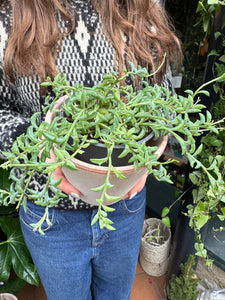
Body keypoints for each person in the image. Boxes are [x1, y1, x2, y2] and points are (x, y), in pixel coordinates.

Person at [0, 0, 181, 299]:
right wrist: (42, 146)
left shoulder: (137, 7)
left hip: (123, 201)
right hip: (49, 211)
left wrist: (150, 157)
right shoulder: (12, 15)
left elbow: (163, 98)